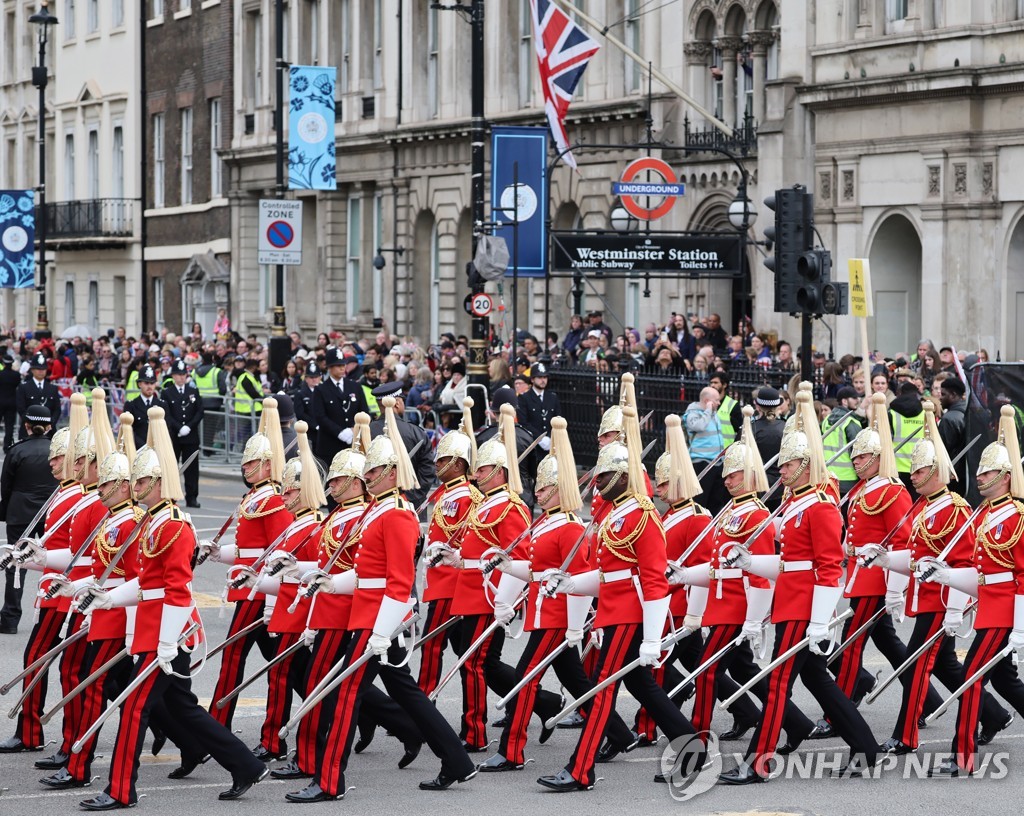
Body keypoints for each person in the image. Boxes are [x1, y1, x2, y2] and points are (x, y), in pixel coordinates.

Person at [77, 406, 269, 810]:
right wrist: (109, 598)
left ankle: (120, 789)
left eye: (142, 480)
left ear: (160, 481)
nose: (135, 486)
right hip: (153, 631)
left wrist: (164, 644)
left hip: (166, 635)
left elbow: (178, 592)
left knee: (133, 711)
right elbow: (146, 584)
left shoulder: (175, 526)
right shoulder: (150, 522)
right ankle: (245, 765)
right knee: (183, 708)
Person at [285, 396, 476, 801]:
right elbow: (366, 573)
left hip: (378, 621)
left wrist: (381, 631)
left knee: (346, 695)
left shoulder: (398, 514)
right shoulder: (377, 511)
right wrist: (330, 583)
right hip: (368, 613)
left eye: (372, 471)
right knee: (407, 694)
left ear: (391, 473)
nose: (366, 477)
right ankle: (457, 761)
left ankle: (329, 780)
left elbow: (398, 580)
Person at [537, 405, 703, 792]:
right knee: (642, 687)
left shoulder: (643, 514)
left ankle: (581, 768)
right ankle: (691, 749)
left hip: (628, 613)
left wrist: (650, 638)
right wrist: (569, 585)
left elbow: (653, 579)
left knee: (602, 686)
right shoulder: (615, 514)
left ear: (625, 476)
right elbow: (608, 574)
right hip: (613, 609)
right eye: (600, 475)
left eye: (608, 475)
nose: (600, 482)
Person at [718, 390, 877, 784]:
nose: (781, 470)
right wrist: (750, 561)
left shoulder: (820, 506)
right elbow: (790, 562)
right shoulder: (795, 506)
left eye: (788, 464)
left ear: (806, 465)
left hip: (805, 606)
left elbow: (827, 567)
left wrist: (820, 621)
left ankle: (760, 761)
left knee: (776, 685)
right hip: (792, 600)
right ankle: (866, 747)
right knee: (816, 679)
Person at [478, 416, 633, 773]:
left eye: (546, 490)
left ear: (559, 491)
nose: (538, 493)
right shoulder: (545, 522)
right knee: (576, 682)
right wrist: (504, 566)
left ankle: (511, 751)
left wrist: (576, 627)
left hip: (558, 616)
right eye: (539, 489)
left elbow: (578, 581)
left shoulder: (568, 527)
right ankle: (620, 734)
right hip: (542, 612)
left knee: (524, 680)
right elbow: (533, 572)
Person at [858, 401, 1009, 756]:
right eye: (912, 468)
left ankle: (906, 736)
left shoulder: (954, 509)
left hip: (941, 603)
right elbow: (915, 559)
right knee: (943, 665)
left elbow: (961, 564)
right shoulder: (923, 507)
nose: (912, 474)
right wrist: (883, 559)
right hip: (924, 598)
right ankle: (995, 713)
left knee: (914, 668)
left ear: (937, 470)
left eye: (920, 468)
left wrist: (955, 611)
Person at [671, 407, 813, 748]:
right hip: (722, 604)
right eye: (726, 475)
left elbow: (760, 573)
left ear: (749, 476)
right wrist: (685, 574)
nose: (726, 479)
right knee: (743, 673)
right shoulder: (731, 511)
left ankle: (696, 744)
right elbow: (720, 567)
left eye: (733, 475)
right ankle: (796, 723)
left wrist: (753, 620)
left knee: (706, 675)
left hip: (738, 607)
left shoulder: (756, 514)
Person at [426, 405, 561, 752]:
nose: (477, 473)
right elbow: (477, 553)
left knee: (473, 665)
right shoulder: (485, 503)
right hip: (469, 592)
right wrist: (456, 559)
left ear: (499, 472)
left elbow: (516, 558)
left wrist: (506, 601)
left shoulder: (510, 506)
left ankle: (474, 732)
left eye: (484, 468)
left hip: (488, 597)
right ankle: (538, 705)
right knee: (475, 664)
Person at [809, 394, 941, 743]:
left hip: (875, 579)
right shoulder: (865, 488)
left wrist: (894, 589)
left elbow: (903, 541)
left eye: (864, 455)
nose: (856, 460)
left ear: (879, 457)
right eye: (855, 455)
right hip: (859, 573)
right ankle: (928, 699)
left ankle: (836, 714)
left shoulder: (891, 490)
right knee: (888, 642)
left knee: (849, 647)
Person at [39, 423, 145, 790]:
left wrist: (128, 623)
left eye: (104, 483)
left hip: (117, 616)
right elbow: (97, 567)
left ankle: (78, 764)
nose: (97, 488)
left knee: (94, 687)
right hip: (97, 609)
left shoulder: (130, 520)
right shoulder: (110, 514)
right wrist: (72, 586)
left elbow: (138, 580)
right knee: (90, 683)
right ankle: (74, 755)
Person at [921, 405, 1024, 776]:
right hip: (987, 605)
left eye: (989, 471)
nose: (980, 477)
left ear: (1008, 475)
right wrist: (944, 575)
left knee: (971, 677)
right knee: (995, 677)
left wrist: (1021, 628)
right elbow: (979, 575)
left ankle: (963, 754)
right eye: (979, 471)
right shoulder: (982, 514)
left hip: (1005, 609)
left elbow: (1020, 578)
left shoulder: (1016, 516)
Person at [199, 399, 292, 745]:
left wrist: (267, 590)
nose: (245, 467)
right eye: (245, 462)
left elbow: (280, 550)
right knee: (287, 668)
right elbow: (247, 548)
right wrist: (217, 553)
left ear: (268, 465)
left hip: (258, 590)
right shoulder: (254, 496)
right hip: (246, 586)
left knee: (236, 658)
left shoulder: (272, 499)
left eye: (252, 462)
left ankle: (217, 732)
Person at [417, 400, 480, 696]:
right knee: (461, 652)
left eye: (442, 462)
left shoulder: (468, 495)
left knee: (432, 646)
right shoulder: (446, 493)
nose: (437, 465)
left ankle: (422, 704)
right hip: (440, 578)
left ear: (458, 463)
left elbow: (468, 538)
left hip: (451, 582)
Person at [0, 405, 58, 634]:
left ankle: (10, 618)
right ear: (49, 426)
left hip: (20, 512)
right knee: (54, 563)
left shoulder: (17, 450)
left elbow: (6, 486)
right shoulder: (56, 451)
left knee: (16, 564)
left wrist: (6, 513)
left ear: (26, 425)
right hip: (51, 513)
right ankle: (51, 615)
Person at [368, 381, 432, 510]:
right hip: (411, 503)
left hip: (374, 503)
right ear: (397, 403)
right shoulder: (415, 432)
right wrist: (412, 497)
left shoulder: (366, 431)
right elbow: (428, 471)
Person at [312, 349, 369, 470]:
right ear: (329, 367)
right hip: (329, 445)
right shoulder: (321, 390)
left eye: (343, 364)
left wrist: (355, 428)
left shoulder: (355, 386)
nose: (342, 368)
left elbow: (364, 411)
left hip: (353, 442)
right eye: (338, 365)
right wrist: (340, 432)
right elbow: (320, 416)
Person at [161, 359, 203, 508]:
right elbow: (167, 414)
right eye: (178, 374)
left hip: (191, 436)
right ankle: (171, 496)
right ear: (173, 376)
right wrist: (178, 427)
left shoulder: (193, 391)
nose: (181, 377)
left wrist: (190, 427)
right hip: (174, 436)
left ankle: (192, 497)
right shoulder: (167, 393)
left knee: (192, 468)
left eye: (183, 374)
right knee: (172, 467)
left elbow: (199, 411)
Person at [683, 386, 727, 513]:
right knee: (700, 500)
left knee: (716, 501)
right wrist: (708, 410)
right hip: (701, 462)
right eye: (716, 400)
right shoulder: (693, 413)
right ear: (707, 400)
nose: (719, 403)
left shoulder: (713, 413)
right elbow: (699, 426)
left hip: (716, 461)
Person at [821, 386, 865, 495]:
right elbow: (859, 451)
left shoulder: (826, 420)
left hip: (828, 476)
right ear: (845, 401)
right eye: (854, 398)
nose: (857, 400)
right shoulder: (851, 422)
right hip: (848, 478)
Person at [751, 387, 786, 507]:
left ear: (758, 406)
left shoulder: (750, 428)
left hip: (756, 486)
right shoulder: (786, 427)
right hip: (782, 485)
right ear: (778, 407)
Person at [889, 380, 925, 493]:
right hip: (919, 467)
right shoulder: (925, 413)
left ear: (900, 393)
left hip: (896, 468)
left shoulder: (891, 414)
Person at [16, 353, 61, 438]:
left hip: (49, 431)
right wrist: (32, 424)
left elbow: (57, 409)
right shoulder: (24, 387)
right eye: (38, 368)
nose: (41, 371)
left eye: (43, 369)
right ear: (32, 370)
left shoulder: (52, 388)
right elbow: (21, 409)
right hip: (28, 431)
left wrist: (51, 422)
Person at [517, 362, 561, 448]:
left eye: (545, 377)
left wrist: (551, 437)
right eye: (540, 377)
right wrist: (540, 438)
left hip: (551, 443)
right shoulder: (524, 398)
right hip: (533, 444)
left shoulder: (553, 397)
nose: (543, 380)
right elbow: (523, 423)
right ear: (532, 379)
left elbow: (558, 419)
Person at [192, 352, 227, 455]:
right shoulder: (216, 371)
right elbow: (223, 389)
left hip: (199, 403)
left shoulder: (195, 371)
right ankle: (207, 449)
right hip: (214, 403)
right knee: (210, 428)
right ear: (212, 359)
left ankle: (200, 448)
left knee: (200, 427)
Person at [123, 365, 164, 449]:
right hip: (138, 449)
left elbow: (167, 429)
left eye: (152, 383)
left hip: (158, 448)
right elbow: (129, 430)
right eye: (146, 383)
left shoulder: (162, 405)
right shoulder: (131, 405)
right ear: (139, 384)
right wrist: (144, 446)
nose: (150, 386)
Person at [937, 377, 969, 486]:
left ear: (953, 395)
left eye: (943, 394)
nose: (940, 398)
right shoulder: (972, 413)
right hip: (969, 473)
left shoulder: (949, 419)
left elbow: (942, 450)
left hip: (953, 474)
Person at [294, 359, 322, 453]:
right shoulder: (301, 394)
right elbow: (300, 414)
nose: (314, 379)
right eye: (311, 377)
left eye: (316, 376)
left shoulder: (325, 392)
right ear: (306, 378)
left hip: (324, 431)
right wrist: (316, 425)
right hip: (309, 431)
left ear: (320, 377)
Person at [0, 353, 21, 451]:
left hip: (1, 401)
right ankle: (6, 445)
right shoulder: (16, 375)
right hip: (12, 402)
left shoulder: (1, 374)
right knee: (9, 425)